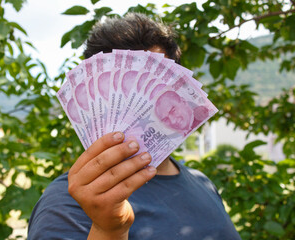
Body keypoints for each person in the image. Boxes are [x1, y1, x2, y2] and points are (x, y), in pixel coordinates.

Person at [28, 13, 241, 240]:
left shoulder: (202, 182)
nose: (147, 101)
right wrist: (108, 230)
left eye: (157, 81)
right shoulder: (67, 202)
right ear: (98, 97)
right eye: (132, 91)